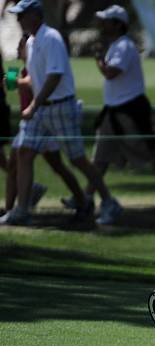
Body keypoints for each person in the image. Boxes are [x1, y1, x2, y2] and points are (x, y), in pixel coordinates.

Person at [1, 0, 122, 226]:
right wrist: (19, 82)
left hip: (59, 107)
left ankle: (108, 201)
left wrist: (34, 105)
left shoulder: (51, 38)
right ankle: (22, 209)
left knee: (77, 159)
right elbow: (37, 78)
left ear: (35, 16)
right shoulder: (33, 41)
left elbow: (54, 77)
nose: (18, 20)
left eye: (22, 15)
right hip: (41, 109)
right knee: (23, 153)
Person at [85, 5, 155, 211]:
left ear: (117, 24)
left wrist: (98, 58)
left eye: (106, 21)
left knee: (151, 152)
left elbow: (111, 72)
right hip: (113, 111)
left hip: (130, 110)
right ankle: (86, 196)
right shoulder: (117, 45)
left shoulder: (124, 45)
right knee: (100, 158)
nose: (102, 25)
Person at [4, 33, 85, 218]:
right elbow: (14, 85)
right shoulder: (23, 71)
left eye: (21, 46)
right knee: (15, 162)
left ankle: (82, 199)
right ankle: (11, 209)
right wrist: (10, 81)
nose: (18, 50)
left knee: (58, 166)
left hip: (42, 121)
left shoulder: (36, 71)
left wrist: (15, 82)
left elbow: (34, 86)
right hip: (30, 124)